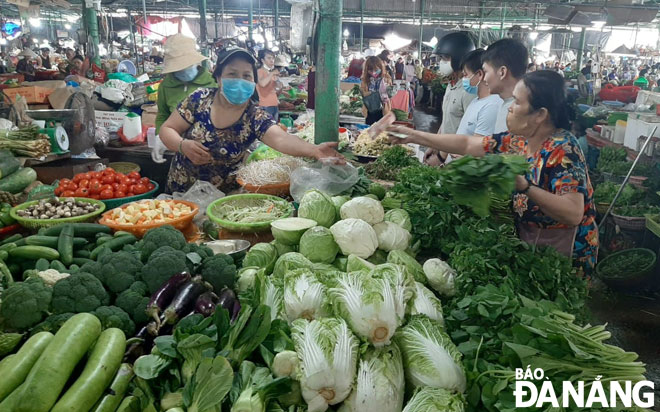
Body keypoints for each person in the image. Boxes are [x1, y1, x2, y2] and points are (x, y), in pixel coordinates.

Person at [387, 70, 598, 276]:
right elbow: (468, 143)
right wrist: (414, 136)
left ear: (540, 115)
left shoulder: (563, 149)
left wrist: (526, 187)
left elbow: (573, 212)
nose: (510, 109)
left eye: (517, 102)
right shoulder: (518, 140)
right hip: (532, 241)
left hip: (568, 249)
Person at [159, 46, 342, 194]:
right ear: (218, 77)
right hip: (181, 192)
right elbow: (167, 129)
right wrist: (183, 145)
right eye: (232, 74)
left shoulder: (254, 116)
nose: (240, 80)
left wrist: (314, 151)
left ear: (254, 81)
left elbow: (280, 138)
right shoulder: (199, 99)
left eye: (246, 76)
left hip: (222, 198)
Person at [425, 31, 476, 165]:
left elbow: (466, 131)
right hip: (444, 153)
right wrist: (434, 144)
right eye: (441, 57)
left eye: (446, 58)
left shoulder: (469, 91)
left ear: (459, 58)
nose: (442, 62)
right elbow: (447, 121)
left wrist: (441, 157)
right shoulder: (450, 85)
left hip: (457, 159)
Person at [155, 34, 217, 134]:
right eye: (178, 68)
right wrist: (160, 135)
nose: (182, 70)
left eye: (186, 66)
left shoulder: (212, 83)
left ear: (196, 63)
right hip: (177, 143)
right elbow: (163, 115)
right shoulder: (165, 86)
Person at [481, 38, 529, 135]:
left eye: (486, 71)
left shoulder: (519, 112)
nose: (484, 79)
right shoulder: (506, 103)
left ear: (502, 72)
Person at [455, 49, 503, 138]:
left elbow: (477, 146)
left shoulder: (492, 105)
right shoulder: (476, 100)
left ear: (480, 74)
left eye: (465, 75)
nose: (463, 80)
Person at [360, 56, 392, 125]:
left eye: (376, 70)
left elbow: (390, 93)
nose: (374, 73)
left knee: (382, 131)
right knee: (369, 130)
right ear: (367, 70)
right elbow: (363, 93)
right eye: (371, 70)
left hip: (383, 109)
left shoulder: (386, 78)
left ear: (381, 67)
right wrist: (370, 93)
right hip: (370, 110)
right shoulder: (365, 80)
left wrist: (388, 91)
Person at [256, 49, 281, 122]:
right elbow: (262, 84)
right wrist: (271, 74)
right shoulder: (259, 71)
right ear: (262, 60)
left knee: (274, 127)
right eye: (269, 58)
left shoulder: (271, 73)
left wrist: (279, 83)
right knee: (267, 130)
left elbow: (277, 89)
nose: (272, 60)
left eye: (273, 58)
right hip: (265, 105)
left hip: (274, 104)